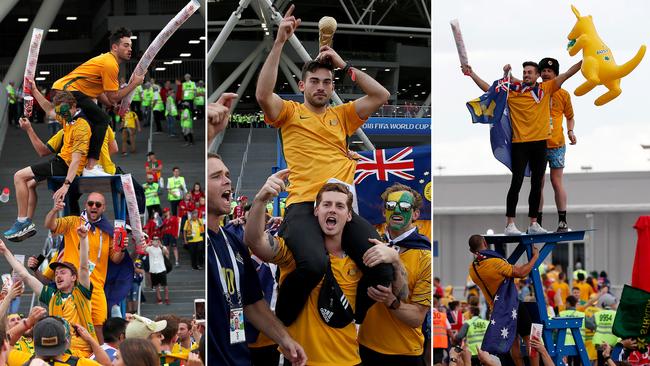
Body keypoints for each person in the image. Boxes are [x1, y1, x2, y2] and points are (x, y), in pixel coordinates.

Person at [255, 4, 392, 325]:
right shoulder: (289, 112)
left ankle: (351, 318)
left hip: (342, 207)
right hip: (303, 205)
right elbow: (263, 95)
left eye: (327, 82)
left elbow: (381, 94)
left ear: (332, 88)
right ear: (302, 86)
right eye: (314, 81)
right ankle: (284, 325)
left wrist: (343, 65)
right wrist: (278, 43)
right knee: (313, 265)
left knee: (382, 268)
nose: (320, 86)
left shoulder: (341, 116)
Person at [245, 172, 407, 365]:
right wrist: (260, 200)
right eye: (326, 205)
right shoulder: (294, 255)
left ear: (348, 216)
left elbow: (400, 295)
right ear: (316, 211)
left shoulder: (362, 261)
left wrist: (396, 260)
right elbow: (255, 241)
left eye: (339, 206)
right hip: (301, 361)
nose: (332, 210)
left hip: (349, 360)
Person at [206, 153, 306, 366]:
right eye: (216, 176)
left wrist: (285, 339)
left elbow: (253, 304)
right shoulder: (200, 244)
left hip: (239, 358)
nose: (227, 180)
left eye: (227, 174)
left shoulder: (233, 241)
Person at [462, 60, 581, 234]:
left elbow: (568, 73)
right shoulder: (513, 92)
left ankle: (534, 223)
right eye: (524, 72)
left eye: (530, 72)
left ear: (537, 75)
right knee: (516, 183)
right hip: (520, 144)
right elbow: (489, 89)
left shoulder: (545, 90)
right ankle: (510, 223)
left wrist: (586, 59)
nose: (526, 75)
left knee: (536, 185)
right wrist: (472, 74)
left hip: (541, 144)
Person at [52, 27, 144, 175]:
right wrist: (134, 84)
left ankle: (76, 162)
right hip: (67, 91)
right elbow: (114, 96)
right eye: (125, 45)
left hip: (64, 91)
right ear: (115, 47)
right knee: (103, 119)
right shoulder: (110, 64)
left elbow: (101, 92)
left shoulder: (108, 61)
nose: (130, 49)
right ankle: (91, 166)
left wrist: (111, 105)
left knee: (88, 123)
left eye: (131, 46)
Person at [358, 183, 432, 365]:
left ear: (415, 214)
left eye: (405, 207)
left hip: (405, 354)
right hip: (365, 347)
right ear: (384, 212)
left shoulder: (425, 257)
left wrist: (390, 299)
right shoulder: (369, 242)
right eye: (391, 206)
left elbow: (417, 317)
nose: (397, 210)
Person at [4, 91, 90, 242]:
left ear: (74, 106)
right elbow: (49, 110)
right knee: (30, 184)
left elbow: (76, 160)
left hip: (65, 166)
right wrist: (34, 89)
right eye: (60, 113)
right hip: (60, 161)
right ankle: (27, 224)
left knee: (19, 176)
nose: (62, 116)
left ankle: (22, 221)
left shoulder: (81, 126)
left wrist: (66, 185)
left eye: (64, 111)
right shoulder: (67, 118)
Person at [0, 225, 98, 358]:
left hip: (85, 353)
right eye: (56, 273)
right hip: (60, 351)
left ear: (74, 277)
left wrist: (83, 239)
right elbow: (25, 275)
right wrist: (5, 250)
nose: (58, 276)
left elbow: (84, 267)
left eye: (62, 272)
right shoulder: (51, 295)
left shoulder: (82, 292)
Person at [44, 193, 126, 343]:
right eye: (91, 203)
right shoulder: (73, 222)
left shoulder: (108, 231)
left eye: (98, 204)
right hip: (73, 286)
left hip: (96, 287)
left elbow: (116, 258)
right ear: (86, 205)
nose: (94, 206)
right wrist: (54, 210)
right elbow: (50, 225)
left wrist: (121, 248)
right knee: (67, 323)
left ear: (104, 208)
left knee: (99, 327)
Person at [467, 234, 540, 365]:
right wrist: (535, 257)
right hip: (513, 306)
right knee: (532, 341)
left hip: (497, 311)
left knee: (514, 345)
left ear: (472, 251)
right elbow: (521, 273)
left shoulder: (473, 269)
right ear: (485, 242)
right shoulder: (495, 263)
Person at [534, 58, 577, 232]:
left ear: (556, 74)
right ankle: (537, 221)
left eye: (549, 71)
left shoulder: (563, 94)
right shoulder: (534, 90)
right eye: (542, 71)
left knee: (556, 181)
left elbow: (570, 116)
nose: (545, 73)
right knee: (539, 183)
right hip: (537, 142)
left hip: (557, 143)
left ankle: (563, 221)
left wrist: (570, 131)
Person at [145, 236, 170, 305]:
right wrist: (148, 243)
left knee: (165, 285)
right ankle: (159, 298)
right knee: (156, 285)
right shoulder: (149, 248)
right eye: (154, 239)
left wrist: (161, 245)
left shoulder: (162, 247)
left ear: (159, 240)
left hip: (162, 269)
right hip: (153, 270)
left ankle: (166, 298)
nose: (156, 240)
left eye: (157, 239)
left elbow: (167, 253)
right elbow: (143, 250)